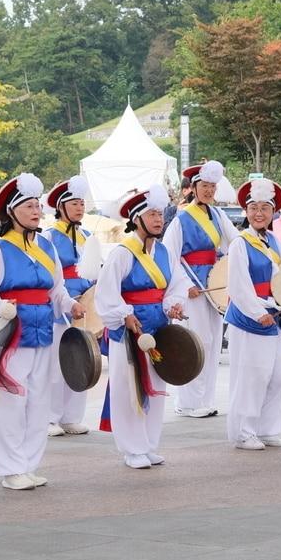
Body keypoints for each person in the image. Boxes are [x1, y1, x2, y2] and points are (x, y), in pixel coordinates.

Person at [0, 174, 83, 489]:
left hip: (43, 332)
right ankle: (9, 468)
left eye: (37, 206)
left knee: (38, 400)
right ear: (12, 212)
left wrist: (71, 305)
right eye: (29, 206)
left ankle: (29, 463)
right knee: (9, 401)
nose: (36, 212)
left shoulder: (46, 246)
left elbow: (56, 288)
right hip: (11, 335)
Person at [96, 185, 188, 469]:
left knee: (156, 386)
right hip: (129, 332)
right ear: (137, 219)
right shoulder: (122, 254)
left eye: (160, 213)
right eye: (152, 214)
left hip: (158, 329)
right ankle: (132, 448)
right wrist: (123, 314)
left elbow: (177, 284)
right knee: (129, 389)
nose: (159, 219)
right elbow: (106, 294)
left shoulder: (165, 252)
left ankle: (148, 444)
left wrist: (173, 303)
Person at [161, 160, 241, 418]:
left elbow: (236, 244)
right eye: (204, 186)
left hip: (213, 287)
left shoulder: (218, 215)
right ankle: (187, 402)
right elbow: (170, 257)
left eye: (212, 186)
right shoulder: (181, 219)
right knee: (194, 341)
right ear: (193, 188)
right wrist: (184, 287)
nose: (208, 191)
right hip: (192, 286)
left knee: (213, 341)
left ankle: (203, 399)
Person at [225, 179, 281, 451]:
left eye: (265, 208)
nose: (258, 213)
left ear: (273, 212)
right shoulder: (240, 244)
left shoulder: (274, 240)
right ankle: (244, 432)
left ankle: (267, 429)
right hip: (250, 317)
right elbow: (238, 286)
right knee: (251, 376)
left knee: (277, 375)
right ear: (246, 211)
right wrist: (256, 312)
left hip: (273, 314)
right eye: (253, 208)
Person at [44, 175, 96, 437]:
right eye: (74, 203)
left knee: (81, 360)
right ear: (61, 207)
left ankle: (72, 416)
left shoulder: (88, 236)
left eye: (82, 203)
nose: (80, 207)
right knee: (56, 363)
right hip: (59, 306)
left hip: (84, 306)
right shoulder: (48, 237)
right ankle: (50, 417)